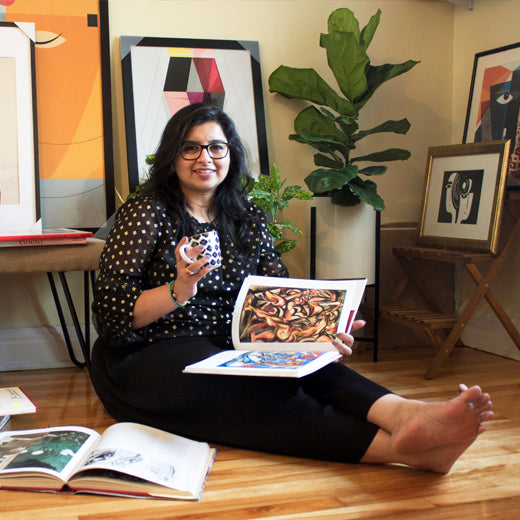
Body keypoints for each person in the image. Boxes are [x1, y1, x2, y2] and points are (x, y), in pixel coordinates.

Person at [91, 102, 493, 474]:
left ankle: (405, 415)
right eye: (190, 148)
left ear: (230, 154)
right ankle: (402, 450)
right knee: (247, 389)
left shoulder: (246, 214)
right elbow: (113, 317)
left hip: (232, 343)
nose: (205, 159)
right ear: (172, 156)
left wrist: (320, 332)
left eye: (216, 147)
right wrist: (179, 289)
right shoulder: (147, 213)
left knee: (306, 369)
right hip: (150, 351)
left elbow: (279, 295)